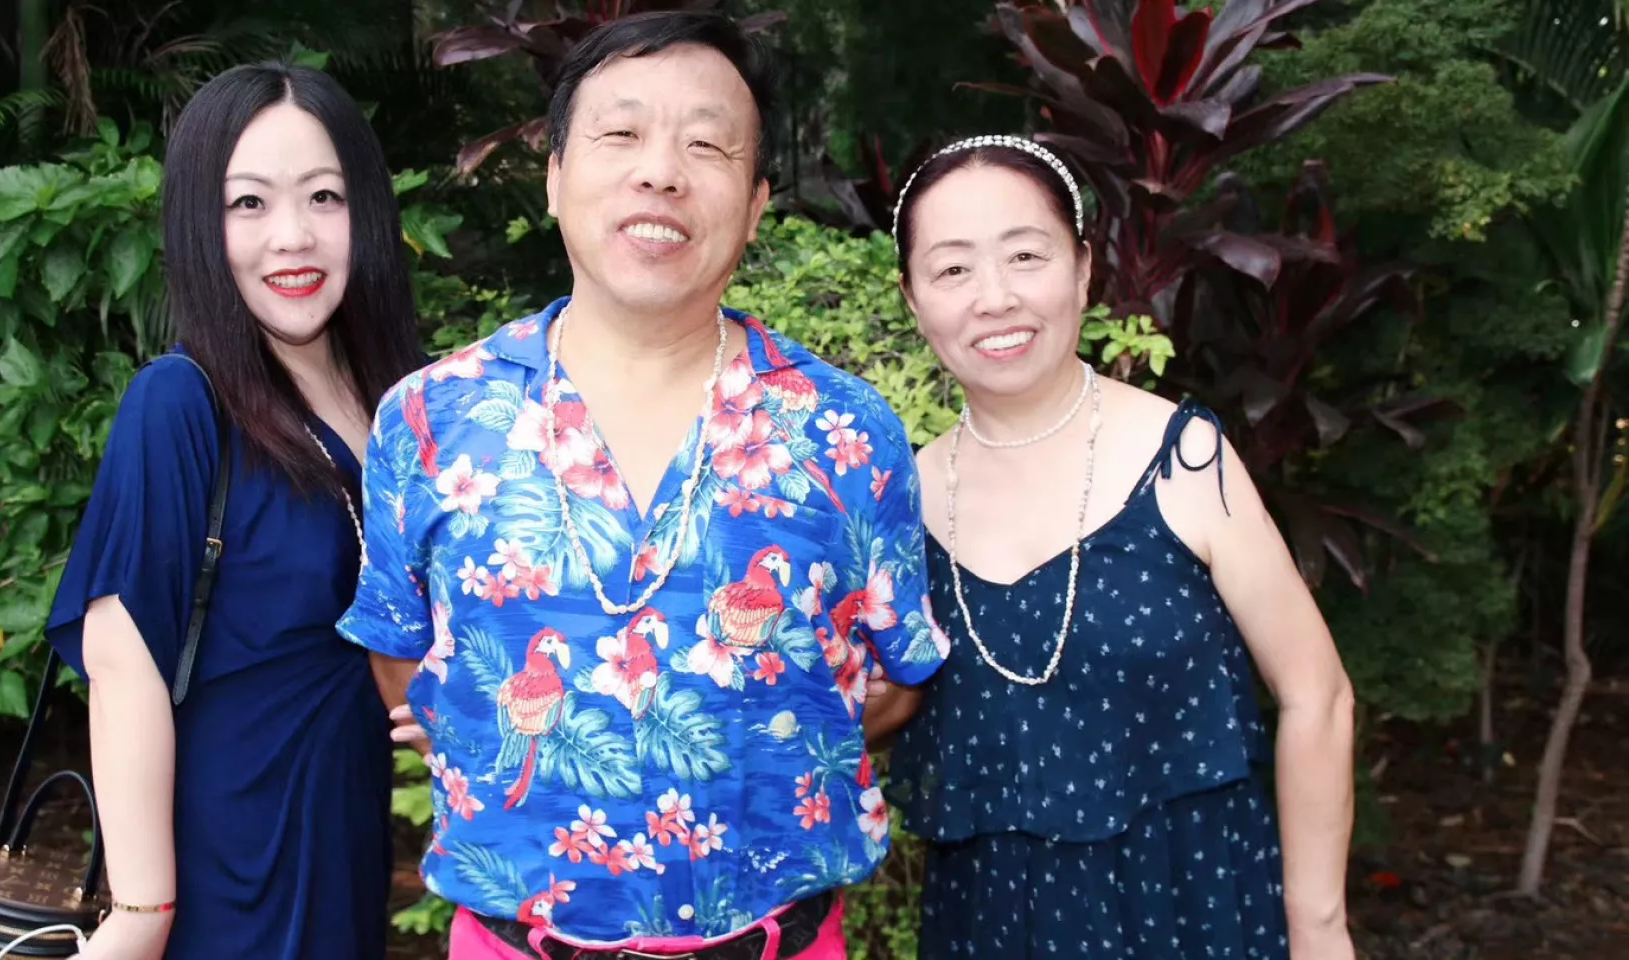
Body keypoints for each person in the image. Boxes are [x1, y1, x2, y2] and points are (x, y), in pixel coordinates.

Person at [337, 11, 948, 959]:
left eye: (705, 144)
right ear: (554, 177)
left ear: (753, 205)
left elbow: (891, 684)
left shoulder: (846, 431)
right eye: (621, 134)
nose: (660, 169)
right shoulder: (430, 420)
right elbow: (404, 657)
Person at [868, 135, 1358, 959]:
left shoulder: (1185, 458)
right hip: (990, 929)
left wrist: (1319, 930)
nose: (995, 298)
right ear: (914, 299)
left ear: (1084, 268)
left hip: (1195, 911)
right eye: (953, 269)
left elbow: (1319, 697)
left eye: (1026, 255)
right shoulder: (899, 504)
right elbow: (865, 707)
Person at [44, 61, 422, 960]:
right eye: (247, 203)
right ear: (199, 227)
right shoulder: (180, 403)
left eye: (322, 197)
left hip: (346, 833)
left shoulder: (399, 403)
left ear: (363, 210)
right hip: (224, 863)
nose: (291, 237)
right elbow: (123, 655)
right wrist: (141, 916)